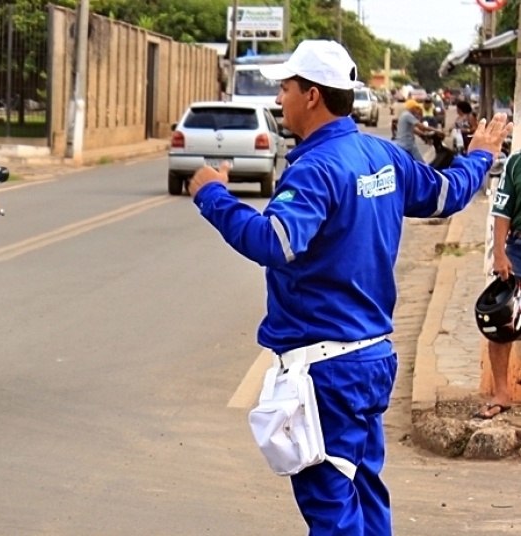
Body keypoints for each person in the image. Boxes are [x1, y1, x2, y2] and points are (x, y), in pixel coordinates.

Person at [186, 39, 511, 536]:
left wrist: (211, 194)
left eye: (286, 88)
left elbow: (274, 241)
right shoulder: (378, 155)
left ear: (312, 95)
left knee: (333, 508)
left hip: (325, 373)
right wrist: (478, 156)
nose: (279, 99)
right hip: (370, 360)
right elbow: (446, 195)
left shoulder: (318, 167)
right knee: (363, 490)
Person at [480, 152, 521, 418]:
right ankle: (502, 394)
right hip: (518, 249)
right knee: (501, 320)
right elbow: (502, 209)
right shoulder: (516, 163)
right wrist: (499, 253)